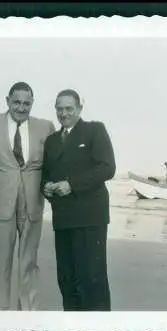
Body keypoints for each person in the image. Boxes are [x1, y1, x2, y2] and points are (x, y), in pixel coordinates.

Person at [0, 82, 55, 310]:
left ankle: (27, 315)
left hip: (32, 204)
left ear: (32, 103)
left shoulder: (45, 127)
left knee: (29, 261)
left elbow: (56, 162)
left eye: (26, 103)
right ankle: (1, 314)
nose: (21, 107)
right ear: (7, 100)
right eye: (17, 102)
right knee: (1, 262)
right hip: (1, 202)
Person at [41, 89, 116, 311]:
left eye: (69, 108)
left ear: (79, 109)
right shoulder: (52, 140)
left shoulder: (95, 130)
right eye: (59, 109)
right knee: (67, 279)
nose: (63, 113)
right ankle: (72, 330)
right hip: (63, 218)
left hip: (90, 217)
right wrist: (45, 186)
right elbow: (45, 173)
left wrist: (71, 184)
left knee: (93, 279)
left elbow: (107, 168)